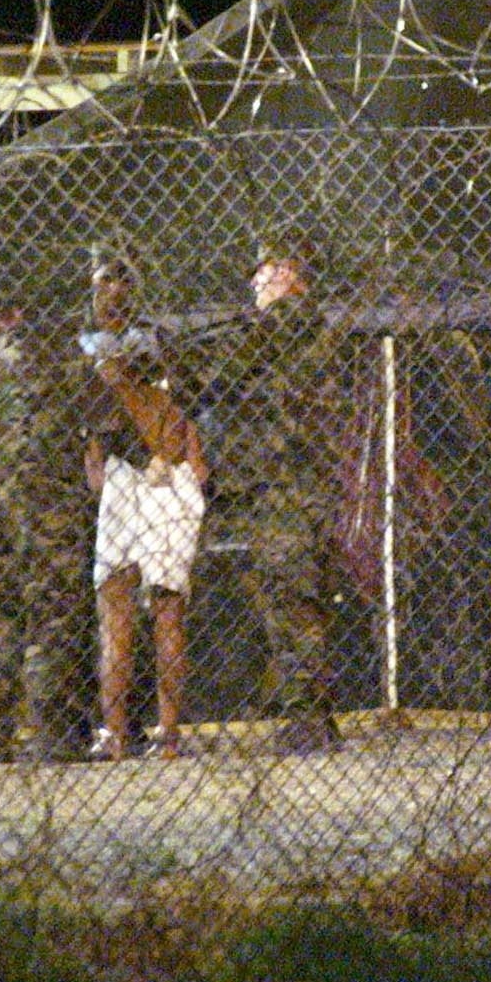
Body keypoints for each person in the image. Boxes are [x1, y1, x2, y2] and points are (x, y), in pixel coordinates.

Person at [203, 231, 351, 755]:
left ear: (289, 273)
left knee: (289, 601)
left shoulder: (284, 321)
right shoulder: (308, 329)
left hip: (285, 485)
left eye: (264, 271)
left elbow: (222, 373)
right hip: (300, 481)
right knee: (300, 599)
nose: (255, 282)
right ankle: (313, 713)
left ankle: (307, 715)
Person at [80, 253, 208, 761]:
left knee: (165, 608)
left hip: (161, 473)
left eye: (119, 280)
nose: (112, 290)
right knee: (117, 607)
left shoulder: (149, 343)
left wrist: (182, 457)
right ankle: (118, 733)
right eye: (104, 281)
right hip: (126, 474)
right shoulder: (102, 346)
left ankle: (166, 732)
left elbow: (179, 409)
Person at [0, 290, 98, 763]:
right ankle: (53, 733)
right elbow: (97, 409)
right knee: (53, 614)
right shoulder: (56, 357)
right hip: (45, 503)